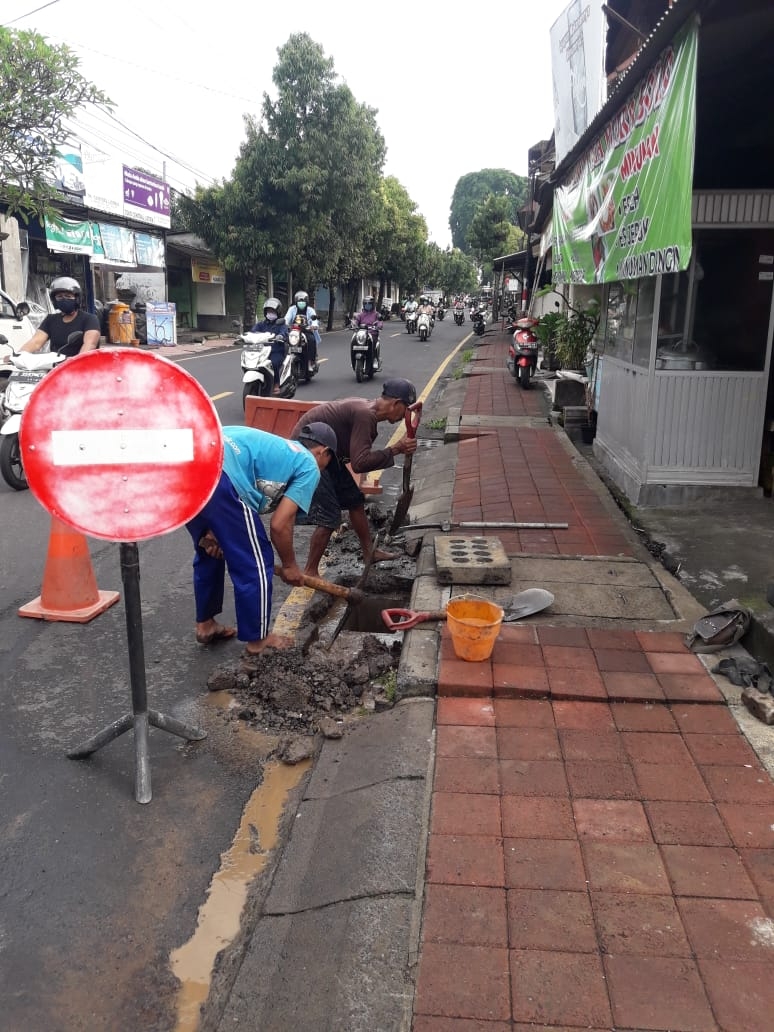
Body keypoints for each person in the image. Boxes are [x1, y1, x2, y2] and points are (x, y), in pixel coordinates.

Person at [186, 422, 337, 659]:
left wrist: (216, 529)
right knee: (256, 562)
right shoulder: (309, 464)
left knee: (209, 552)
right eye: (328, 463)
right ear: (323, 452)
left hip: (188, 470)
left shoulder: (279, 449)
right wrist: (290, 566)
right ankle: (258, 641)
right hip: (223, 477)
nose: (324, 469)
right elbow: (280, 525)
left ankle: (206, 625)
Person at [289, 378, 419, 579]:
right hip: (309, 454)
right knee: (329, 516)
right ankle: (310, 571)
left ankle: (369, 553)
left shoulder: (367, 412)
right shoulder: (365, 415)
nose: (405, 416)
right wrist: (396, 449)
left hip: (327, 453)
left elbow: (354, 455)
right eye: (405, 410)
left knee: (354, 501)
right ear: (396, 403)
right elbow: (359, 463)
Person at [20, 277, 100, 356]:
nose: (64, 299)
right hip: (56, 363)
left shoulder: (90, 319)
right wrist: (19, 355)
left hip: (80, 363)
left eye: (68, 296)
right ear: (54, 301)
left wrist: (75, 361)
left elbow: (89, 345)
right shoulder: (51, 320)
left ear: (77, 299)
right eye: (59, 297)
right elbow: (36, 342)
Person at [250, 297, 289, 391]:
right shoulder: (261, 324)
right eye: (268, 311)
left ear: (278, 312)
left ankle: (276, 383)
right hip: (262, 351)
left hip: (276, 351)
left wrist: (280, 336)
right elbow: (253, 331)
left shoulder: (281, 324)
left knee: (273, 363)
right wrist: (246, 336)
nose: (270, 313)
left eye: (273, 311)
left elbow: (284, 333)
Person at [284, 290, 321, 366]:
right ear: (296, 302)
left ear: (306, 302)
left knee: (311, 340)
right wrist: (285, 324)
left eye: (303, 301)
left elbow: (314, 321)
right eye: (299, 301)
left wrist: (313, 326)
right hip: (294, 331)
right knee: (284, 341)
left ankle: (311, 361)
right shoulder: (292, 309)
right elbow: (287, 319)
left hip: (307, 331)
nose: (301, 303)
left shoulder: (310, 310)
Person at [354, 295, 383, 370]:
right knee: (354, 340)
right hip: (362, 334)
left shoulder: (376, 314)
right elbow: (356, 321)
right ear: (363, 305)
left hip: (372, 333)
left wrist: (378, 326)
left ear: (373, 305)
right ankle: (353, 360)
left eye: (369, 304)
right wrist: (354, 325)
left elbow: (380, 322)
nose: (367, 305)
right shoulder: (360, 315)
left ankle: (374, 360)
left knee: (372, 345)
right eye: (366, 304)